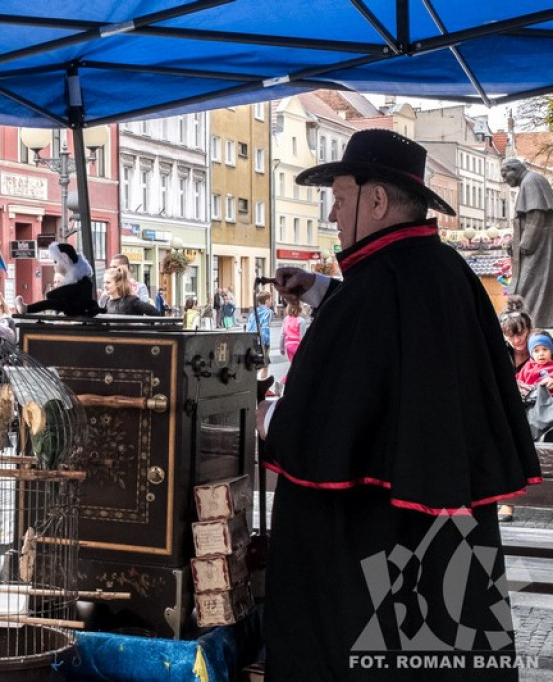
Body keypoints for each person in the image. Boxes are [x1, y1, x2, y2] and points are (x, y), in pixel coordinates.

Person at [257, 129, 541, 680]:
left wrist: (268, 417)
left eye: (340, 200)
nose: (334, 217)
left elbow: (328, 413)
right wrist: (320, 286)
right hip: (446, 541)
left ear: (376, 200)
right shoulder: (446, 271)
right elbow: (394, 338)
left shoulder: (377, 289)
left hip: (375, 547)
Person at [501, 159, 553, 328]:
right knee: (529, 284)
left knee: (528, 284)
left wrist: (525, 243)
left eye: (505, 174)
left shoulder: (531, 181)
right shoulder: (529, 182)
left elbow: (536, 214)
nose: (504, 179)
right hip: (536, 245)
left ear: (515, 170)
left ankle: (530, 322)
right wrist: (514, 244)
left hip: (537, 247)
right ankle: (531, 321)